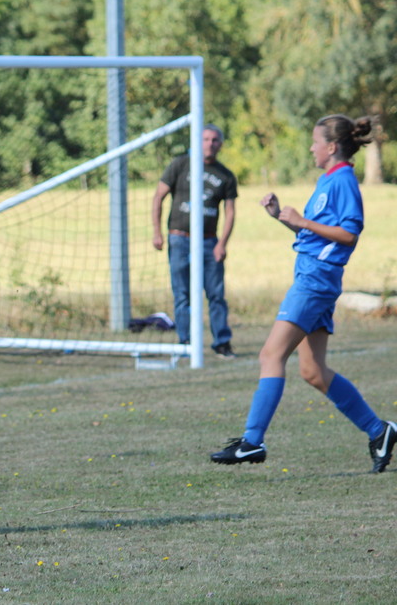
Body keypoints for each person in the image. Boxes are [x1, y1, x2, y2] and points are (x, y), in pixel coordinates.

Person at [210, 114, 397, 471]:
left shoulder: (343, 181)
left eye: (315, 142)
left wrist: (302, 221)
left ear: (331, 146)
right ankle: (379, 431)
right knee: (312, 370)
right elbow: (316, 236)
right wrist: (281, 217)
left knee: (270, 355)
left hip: (316, 281)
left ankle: (252, 441)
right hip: (314, 277)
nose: (311, 148)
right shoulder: (327, 180)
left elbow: (349, 234)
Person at [152, 123, 238, 357]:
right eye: (206, 139)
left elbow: (230, 212)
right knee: (182, 294)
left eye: (214, 140)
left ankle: (222, 342)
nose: (210, 144)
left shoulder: (225, 175)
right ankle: (186, 342)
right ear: (198, 141)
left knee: (216, 294)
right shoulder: (180, 165)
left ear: (220, 144)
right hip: (179, 239)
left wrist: (222, 244)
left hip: (209, 243)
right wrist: (157, 232)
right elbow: (158, 196)